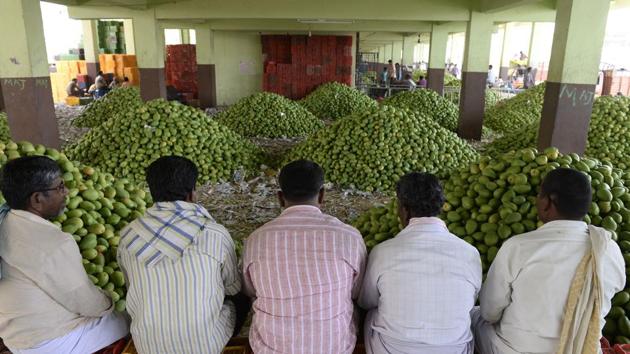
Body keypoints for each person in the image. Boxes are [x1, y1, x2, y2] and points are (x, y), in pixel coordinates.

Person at [473, 168, 625, 354]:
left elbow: (489, 312)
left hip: (516, 349)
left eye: (539, 195)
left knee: (475, 317)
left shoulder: (518, 247)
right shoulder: (608, 249)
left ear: (548, 202)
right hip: (582, 349)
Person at [0, 156, 128, 354]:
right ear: (37, 199)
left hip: (17, 340)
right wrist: (109, 300)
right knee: (128, 321)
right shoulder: (53, 243)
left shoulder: (5, 222)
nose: (66, 191)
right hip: (53, 343)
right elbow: (87, 303)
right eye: (59, 187)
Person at [117, 156, 243, 354]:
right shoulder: (213, 233)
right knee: (240, 298)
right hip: (204, 346)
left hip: (147, 345)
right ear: (192, 193)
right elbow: (233, 288)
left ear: (151, 192)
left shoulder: (127, 236)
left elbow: (129, 285)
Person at [243, 160, 367, 354]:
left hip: (270, 349)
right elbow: (356, 292)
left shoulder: (256, 239)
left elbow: (250, 291)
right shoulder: (348, 236)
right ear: (322, 195)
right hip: (334, 348)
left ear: (280, 198)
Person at [359, 172, 482, 354]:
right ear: (440, 207)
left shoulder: (383, 251)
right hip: (453, 350)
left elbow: (366, 301)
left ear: (404, 209)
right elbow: (471, 300)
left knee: (370, 313)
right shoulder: (469, 252)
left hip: (392, 349)